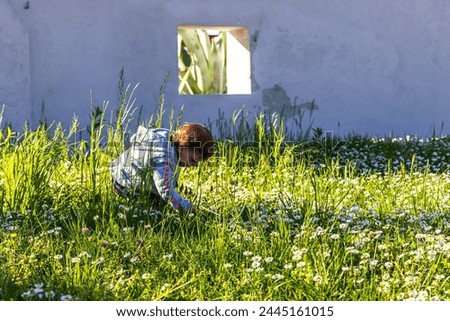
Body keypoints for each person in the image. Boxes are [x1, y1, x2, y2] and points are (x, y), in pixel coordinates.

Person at [110, 123, 214, 213]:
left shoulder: (173, 151)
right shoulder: (163, 156)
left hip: (136, 178)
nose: (194, 166)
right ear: (183, 147)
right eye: (193, 160)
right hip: (125, 182)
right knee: (148, 210)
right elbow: (165, 187)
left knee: (160, 204)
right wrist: (186, 207)